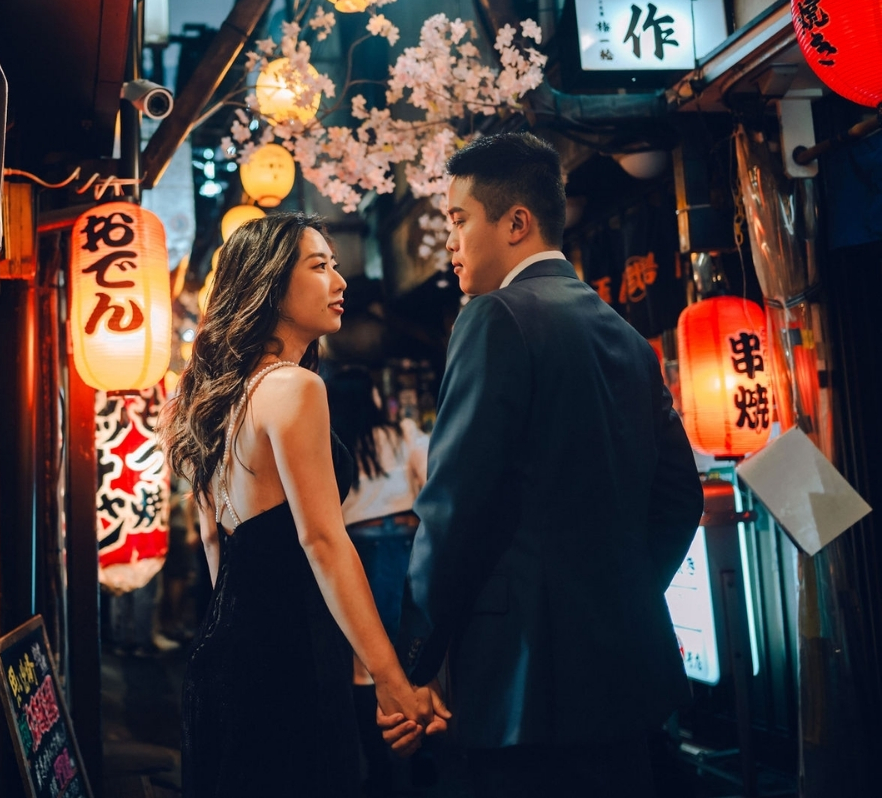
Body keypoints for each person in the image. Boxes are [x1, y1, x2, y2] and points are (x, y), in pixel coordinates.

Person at [381, 133, 704, 798]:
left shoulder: (494, 317)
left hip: (522, 686)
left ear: (517, 223)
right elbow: (680, 499)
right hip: (626, 678)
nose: (452, 242)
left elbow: (453, 507)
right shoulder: (623, 334)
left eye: (460, 219)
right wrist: (619, 595)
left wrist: (415, 662)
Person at [161, 213, 448, 798]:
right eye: (320, 266)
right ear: (269, 282)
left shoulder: (214, 398)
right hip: (285, 657)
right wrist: (391, 681)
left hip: (225, 652)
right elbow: (322, 541)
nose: (339, 281)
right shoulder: (293, 388)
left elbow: (217, 543)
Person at [326, 367, 429, 796]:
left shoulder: (331, 445)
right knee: (410, 655)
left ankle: (379, 771)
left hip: (356, 547)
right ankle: (421, 760)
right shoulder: (399, 432)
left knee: (365, 662)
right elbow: (430, 473)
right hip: (404, 541)